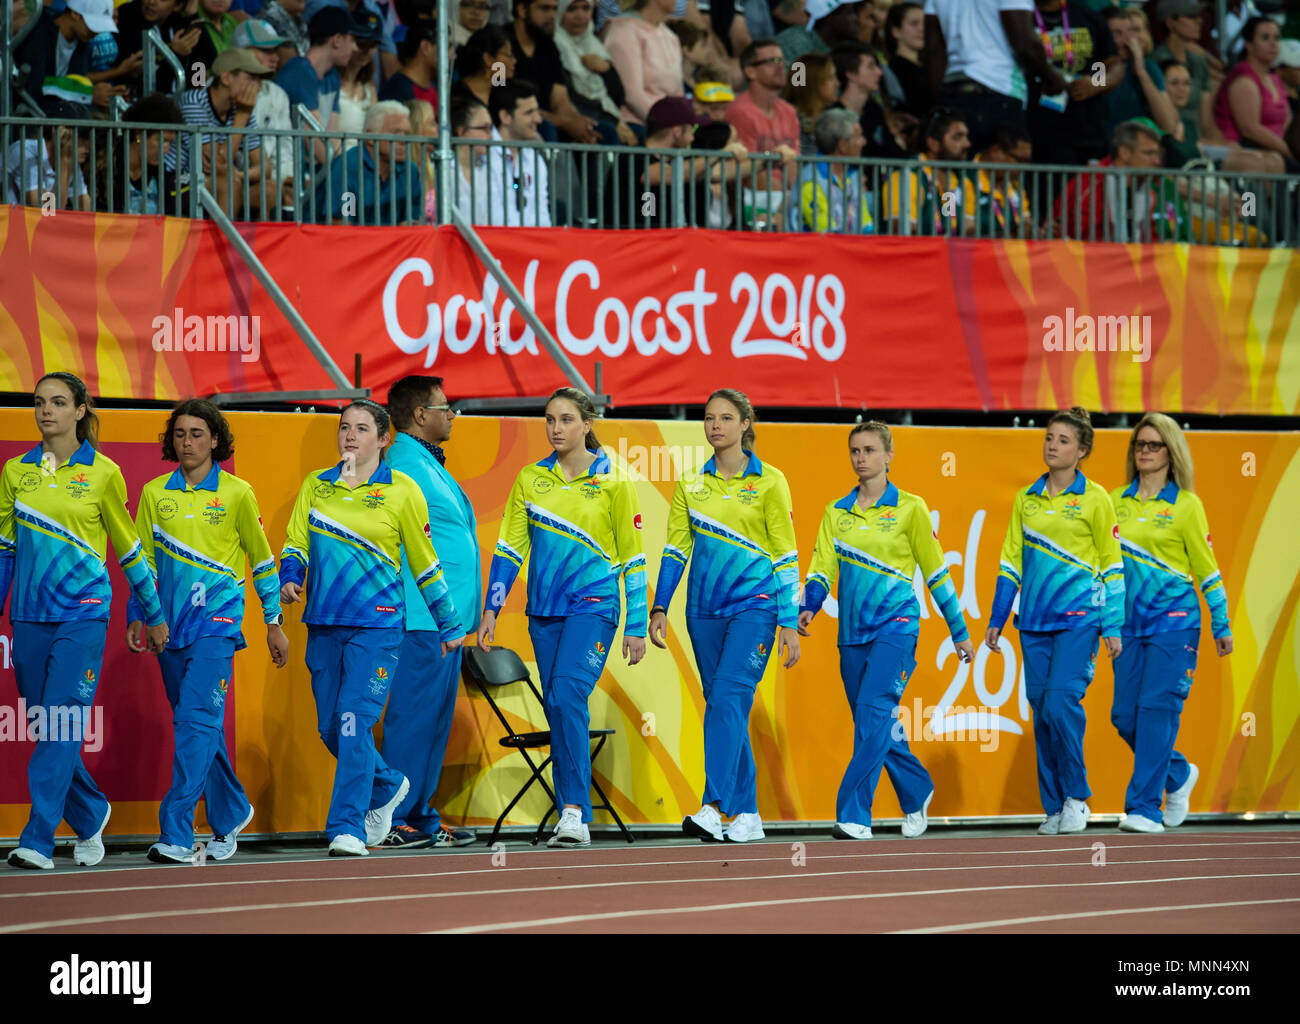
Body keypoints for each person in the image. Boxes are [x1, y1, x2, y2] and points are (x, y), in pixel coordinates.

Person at [280, 400, 463, 857]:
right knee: (331, 728)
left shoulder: (402, 491)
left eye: (361, 429)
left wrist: (449, 624)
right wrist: (290, 576)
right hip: (323, 625)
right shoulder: (316, 487)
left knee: (352, 721)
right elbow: (295, 542)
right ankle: (388, 785)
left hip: (378, 628)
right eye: (344, 428)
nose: (349, 436)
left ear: (384, 439)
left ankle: (347, 826)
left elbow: (425, 562)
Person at [2, 373, 169, 871]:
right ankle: (91, 810)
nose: (45, 410)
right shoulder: (15, 471)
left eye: (57, 402)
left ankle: (38, 838)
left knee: (59, 724)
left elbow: (129, 547)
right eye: (38, 402)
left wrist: (152, 612)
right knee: (45, 723)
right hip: (29, 617)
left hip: (83, 615)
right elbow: (5, 549)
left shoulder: (103, 473)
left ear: (80, 410)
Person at [476, 388, 647, 849]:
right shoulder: (531, 479)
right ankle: (571, 807)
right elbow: (510, 549)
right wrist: (491, 608)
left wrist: (635, 625)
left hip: (595, 606)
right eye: (549, 420)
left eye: (567, 420)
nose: (555, 428)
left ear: (587, 424)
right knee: (556, 701)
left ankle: (574, 812)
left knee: (568, 692)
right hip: (543, 611)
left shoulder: (613, 482)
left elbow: (632, 559)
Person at [125, 401, 288, 864]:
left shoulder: (238, 494)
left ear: (215, 439)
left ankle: (176, 831)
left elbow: (262, 563)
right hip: (168, 630)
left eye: (197, 433)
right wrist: (139, 614)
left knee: (194, 722)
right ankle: (233, 808)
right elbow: (144, 563)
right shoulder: (156, 494)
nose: (187, 442)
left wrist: (274, 623)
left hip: (217, 627)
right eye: (179, 434)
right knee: (199, 727)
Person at [799, 422, 974, 840]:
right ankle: (916, 789)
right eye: (856, 450)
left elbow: (936, 573)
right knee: (873, 721)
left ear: (889, 456)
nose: (862, 457)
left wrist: (959, 630)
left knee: (874, 712)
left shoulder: (911, 508)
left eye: (871, 450)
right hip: (852, 634)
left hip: (896, 626)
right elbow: (822, 567)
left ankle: (855, 814)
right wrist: (809, 607)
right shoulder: (835, 511)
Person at [649, 389, 801, 845]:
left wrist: (789, 621)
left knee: (728, 701)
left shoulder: (771, 482)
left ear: (745, 423)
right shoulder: (691, 485)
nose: (715, 425)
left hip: (755, 609)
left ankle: (714, 806)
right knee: (724, 707)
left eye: (726, 418)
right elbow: (676, 549)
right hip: (703, 613)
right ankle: (749, 813)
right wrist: (659, 606)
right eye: (709, 418)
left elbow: (786, 556)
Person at [985, 407, 1124, 836]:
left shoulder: (1096, 498)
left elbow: (1112, 564)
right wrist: (997, 617)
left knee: (1062, 701)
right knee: (1043, 710)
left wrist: (1113, 624)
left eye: (1063, 440)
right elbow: (1011, 560)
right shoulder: (1026, 498)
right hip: (1034, 622)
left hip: (1081, 620)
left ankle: (1077, 797)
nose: (1052, 445)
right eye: (1049, 438)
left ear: (1082, 451)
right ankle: (1054, 804)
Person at [1109, 414, 1232, 834]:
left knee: (1157, 711)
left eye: (1153, 445)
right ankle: (1178, 774)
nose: (1144, 451)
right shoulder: (1113, 503)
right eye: (1139, 444)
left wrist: (1222, 623)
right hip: (1127, 626)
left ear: (1171, 452)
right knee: (1125, 716)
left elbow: (1208, 570)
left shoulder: (1187, 507)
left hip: (1175, 625)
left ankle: (1144, 808)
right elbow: (1102, 569)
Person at [378, 377, 480, 849]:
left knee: (434, 723)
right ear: (420, 415)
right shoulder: (402, 466)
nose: (452, 414)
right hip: (420, 616)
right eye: (446, 407)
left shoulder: (425, 463)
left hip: (446, 621)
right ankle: (395, 817)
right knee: (413, 721)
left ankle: (420, 816)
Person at [924, 0, 1068, 153]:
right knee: (1003, 173)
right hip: (998, 91)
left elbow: (933, 52)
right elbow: (1024, 43)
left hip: (953, 92)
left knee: (963, 174)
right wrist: (1052, 78)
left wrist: (940, 105)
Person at [172, 48, 273, 217]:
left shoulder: (241, 109)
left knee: (269, 190)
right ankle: (224, 243)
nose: (258, 87)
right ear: (226, 78)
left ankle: (258, 244)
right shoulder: (194, 102)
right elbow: (216, 163)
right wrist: (241, 116)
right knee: (229, 185)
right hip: (179, 181)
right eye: (251, 79)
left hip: (218, 182)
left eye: (259, 81)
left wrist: (238, 174)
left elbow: (264, 168)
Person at [1053, 118, 1188, 242]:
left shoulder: (1150, 191)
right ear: (1124, 153)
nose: (1157, 161)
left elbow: (1148, 239)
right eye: (1149, 153)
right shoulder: (1089, 184)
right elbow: (1086, 238)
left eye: (1157, 154)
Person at [1026, 0, 1120, 169]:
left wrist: (1095, 83)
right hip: (1040, 131)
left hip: (1089, 132)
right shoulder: (1021, 17)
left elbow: (1110, 63)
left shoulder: (1088, 17)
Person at [1212, 15, 1297, 173]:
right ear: (1249, 45)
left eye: (1276, 38)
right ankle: (1253, 199)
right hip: (1244, 149)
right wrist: (1290, 151)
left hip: (1278, 150)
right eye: (1265, 38)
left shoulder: (1275, 79)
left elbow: (1287, 122)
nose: (1273, 44)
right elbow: (1250, 130)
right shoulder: (1243, 81)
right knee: (1275, 163)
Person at [510, 0, 604, 142]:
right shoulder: (501, 44)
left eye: (555, 9)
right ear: (522, 9)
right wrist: (565, 123)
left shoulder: (549, 47)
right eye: (545, 8)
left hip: (548, 120)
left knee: (601, 132)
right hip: (514, 121)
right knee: (546, 129)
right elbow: (501, 97)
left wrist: (578, 123)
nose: (552, 15)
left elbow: (560, 100)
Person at [276, 7, 358, 168]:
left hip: (317, 170)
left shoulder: (332, 76)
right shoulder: (299, 72)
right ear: (337, 40)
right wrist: (348, 172)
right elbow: (316, 143)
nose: (356, 48)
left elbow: (332, 137)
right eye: (352, 40)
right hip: (291, 170)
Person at [317, 99, 424, 223]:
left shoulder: (411, 171)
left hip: (395, 242)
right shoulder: (347, 167)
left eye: (407, 134)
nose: (403, 141)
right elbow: (341, 226)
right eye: (396, 133)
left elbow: (413, 221)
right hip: (354, 241)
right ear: (370, 138)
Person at [881, 105, 975, 236]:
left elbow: (968, 231)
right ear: (933, 144)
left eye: (966, 136)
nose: (967, 144)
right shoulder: (908, 176)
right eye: (957, 137)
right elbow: (903, 234)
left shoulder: (958, 180)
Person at [555, 0, 639, 144]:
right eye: (572, 9)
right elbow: (572, 100)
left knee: (638, 134)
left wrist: (607, 70)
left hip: (602, 115)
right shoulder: (554, 45)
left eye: (586, 8)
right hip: (578, 116)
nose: (580, 15)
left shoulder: (594, 45)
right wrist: (613, 121)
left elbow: (618, 96)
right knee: (607, 132)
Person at [786, 106, 874, 233]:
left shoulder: (852, 176)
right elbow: (828, 235)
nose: (864, 142)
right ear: (842, 146)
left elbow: (866, 228)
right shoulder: (811, 182)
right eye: (858, 137)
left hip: (849, 248)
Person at [1101, 4, 1180, 138]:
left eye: (1130, 32)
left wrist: (1142, 73)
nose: (1127, 40)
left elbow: (1169, 125)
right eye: (1117, 33)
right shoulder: (1095, 67)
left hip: (1136, 150)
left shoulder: (1148, 68)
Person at [604, 0, 685, 127]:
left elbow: (678, 94)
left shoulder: (670, 37)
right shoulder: (624, 31)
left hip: (670, 129)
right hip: (637, 125)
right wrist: (667, 124)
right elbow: (632, 95)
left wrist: (683, 123)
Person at [488, 79, 554, 226]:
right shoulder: (483, 155)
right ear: (505, 116)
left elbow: (542, 216)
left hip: (529, 245)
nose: (538, 119)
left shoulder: (535, 160)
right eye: (529, 113)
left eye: (537, 111)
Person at [5, 101, 92, 211]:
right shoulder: (24, 152)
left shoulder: (70, 160)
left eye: (88, 137)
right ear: (56, 132)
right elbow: (47, 210)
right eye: (82, 137)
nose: (88, 145)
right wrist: (64, 161)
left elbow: (86, 210)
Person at [116, 0, 202, 95]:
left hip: (178, 102)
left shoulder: (177, 22)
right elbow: (145, 87)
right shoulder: (127, 18)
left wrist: (193, 16)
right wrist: (174, 55)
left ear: (177, 6)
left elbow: (205, 58)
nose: (151, 2)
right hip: (144, 103)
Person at [782, 50, 839, 154]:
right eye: (831, 78)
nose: (837, 83)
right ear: (814, 82)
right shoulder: (789, 121)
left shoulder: (831, 120)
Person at [884, 2, 931, 118]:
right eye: (914, 24)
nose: (922, 29)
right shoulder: (896, 69)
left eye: (925, 23)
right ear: (896, 31)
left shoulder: (928, 66)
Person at [379, 18, 440, 104]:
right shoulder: (397, 91)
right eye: (447, 47)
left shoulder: (433, 88)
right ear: (425, 47)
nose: (453, 55)